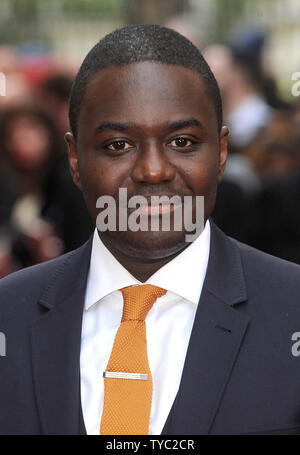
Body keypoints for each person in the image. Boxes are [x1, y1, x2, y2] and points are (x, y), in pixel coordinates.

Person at [1, 24, 300, 436]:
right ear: (73, 158)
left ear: (222, 150)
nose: (153, 170)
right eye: (118, 145)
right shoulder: (8, 316)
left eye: (182, 142)